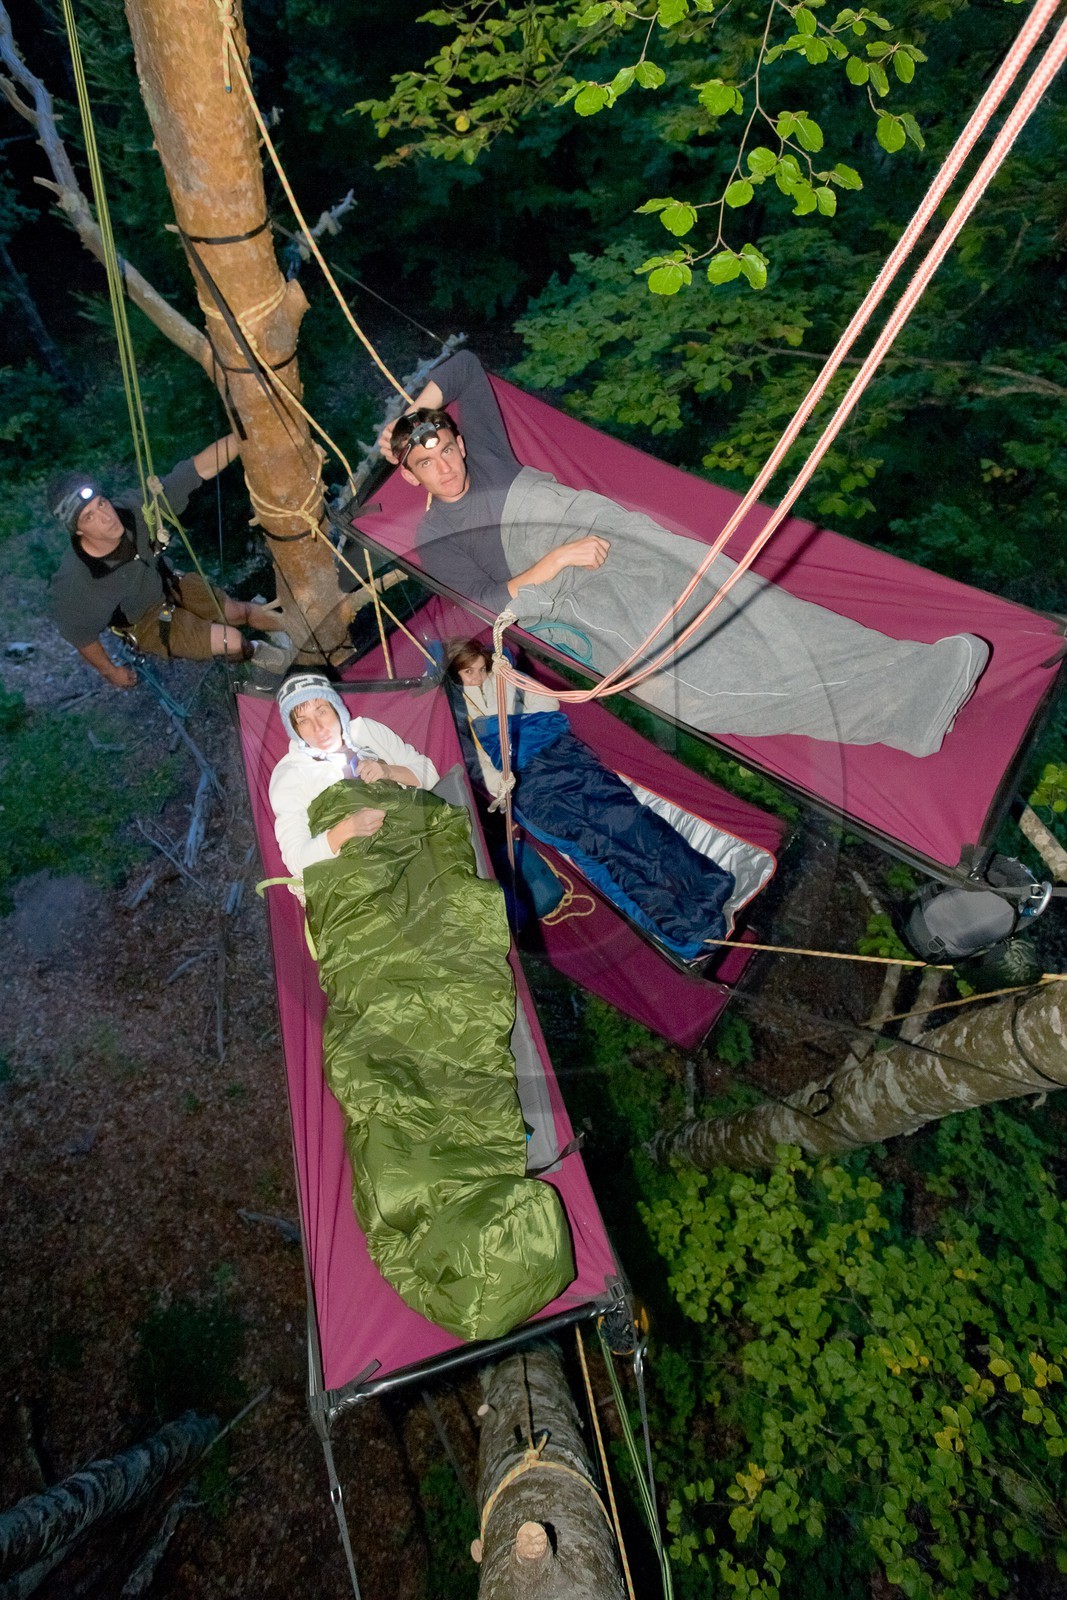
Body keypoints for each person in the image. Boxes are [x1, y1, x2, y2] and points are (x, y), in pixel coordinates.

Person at [380, 351, 989, 758]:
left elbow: (464, 366)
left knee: (746, 606)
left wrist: (406, 417)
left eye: (446, 450)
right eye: (425, 464)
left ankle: (924, 672)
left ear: (459, 438)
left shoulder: (483, 453)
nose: (445, 468)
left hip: (613, 536)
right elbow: (489, 602)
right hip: (574, 592)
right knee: (693, 693)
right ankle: (906, 713)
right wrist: (558, 560)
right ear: (410, 477)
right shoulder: (435, 542)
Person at [447, 640, 749, 959]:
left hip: (567, 757)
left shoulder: (507, 678)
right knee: (608, 852)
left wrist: (507, 684)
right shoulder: (459, 713)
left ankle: (707, 889)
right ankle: (682, 928)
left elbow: (550, 707)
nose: (478, 677)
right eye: (469, 672)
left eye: (482, 668)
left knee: (637, 825)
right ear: (455, 675)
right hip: (533, 787)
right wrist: (503, 788)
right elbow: (480, 766)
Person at [48, 435, 288, 688]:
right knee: (233, 640)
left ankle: (300, 634)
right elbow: (79, 634)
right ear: (77, 531)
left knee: (239, 612)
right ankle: (256, 651)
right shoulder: (77, 581)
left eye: (102, 503)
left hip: (169, 582)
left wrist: (244, 435)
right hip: (147, 621)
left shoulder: (133, 511)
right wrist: (111, 672)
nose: (106, 517)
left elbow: (194, 471)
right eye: (89, 517)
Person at [269, 671, 439, 888]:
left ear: (336, 709)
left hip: (414, 840)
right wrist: (347, 829)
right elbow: (296, 862)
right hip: (358, 880)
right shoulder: (290, 776)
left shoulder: (365, 731)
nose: (318, 728)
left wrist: (388, 771)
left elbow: (430, 774)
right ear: (295, 731)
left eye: (321, 711)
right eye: (303, 721)